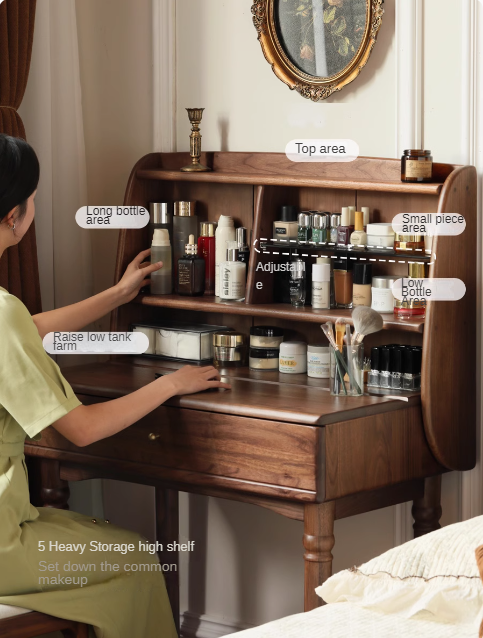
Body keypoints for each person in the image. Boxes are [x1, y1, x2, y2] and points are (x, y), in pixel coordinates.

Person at [0, 134, 230, 638]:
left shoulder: (4, 313)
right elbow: (80, 429)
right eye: (33, 198)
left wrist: (118, 294)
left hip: (9, 524)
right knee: (138, 562)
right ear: (14, 216)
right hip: (2, 547)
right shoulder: (3, 315)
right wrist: (171, 384)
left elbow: (27, 328)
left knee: (110, 543)